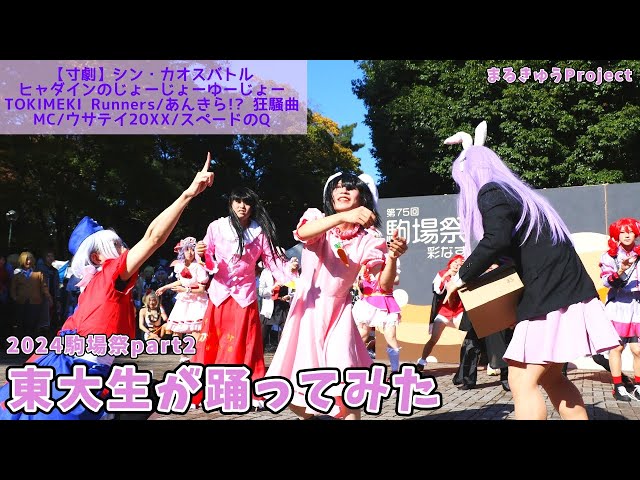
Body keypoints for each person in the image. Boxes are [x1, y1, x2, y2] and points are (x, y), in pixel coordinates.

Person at [0, 153, 214, 420]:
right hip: (81, 372)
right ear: (97, 256)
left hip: (74, 367)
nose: (125, 248)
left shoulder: (92, 284)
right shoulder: (111, 274)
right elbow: (153, 237)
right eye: (116, 244)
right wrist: (187, 194)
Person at [441, 122, 621, 420]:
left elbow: (495, 241)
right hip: (565, 291)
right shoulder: (519, 195)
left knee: (521, 380)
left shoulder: (491, 191)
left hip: (549, 297)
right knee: (552, 378)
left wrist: (460, 277)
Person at [265, 172, 408, 420]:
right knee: (293, 387)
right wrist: (343, 217)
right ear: (330, 196)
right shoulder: (317, 218)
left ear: (362, 197)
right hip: (306, 313)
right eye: (338, 187)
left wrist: (392, 258)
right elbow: (304, 233)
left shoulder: (369, 239)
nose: (343, 190)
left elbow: (383, 285)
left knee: (345, 383)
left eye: (350, 188)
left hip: (339, 315)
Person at [192, 187, 299, 408]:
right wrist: (201, 253)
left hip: (244, 296)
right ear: (231, 203)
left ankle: (242, 390)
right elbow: (206, 255)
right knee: (212, 342)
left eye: (247, 202)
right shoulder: (216, 227)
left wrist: (292, 274)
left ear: (253, 206)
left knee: (244, 343)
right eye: (238, 201)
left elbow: (272, 262)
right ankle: (206, 390)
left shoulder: (260, 233)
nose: (242, 206)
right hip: (219, 294)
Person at [599, 217, 640, 401]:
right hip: (619, 306)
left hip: (637, 306)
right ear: (617, 235)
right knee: (617, 348)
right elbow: (606, 281)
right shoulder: (610, 256)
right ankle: (618, 387)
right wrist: (621, 269)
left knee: (638, 350)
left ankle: (638, 386)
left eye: (630, 231)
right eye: (622, 232)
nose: (627, 235)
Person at [156, 236, 209, 362]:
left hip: (197, 300)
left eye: (192, 249)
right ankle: (183, 356)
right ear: (182, 252)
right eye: (186, 250)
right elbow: (181, 281)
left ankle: (196, 357)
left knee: (196, 329)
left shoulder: (199, 267)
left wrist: (186, 290)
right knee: (177, 329)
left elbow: (202, 289)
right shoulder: (180, 266)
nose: (190, 253)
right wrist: (165, 287)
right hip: (184, 300)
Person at [353, 255, 403, 374]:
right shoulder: (363, 258)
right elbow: (358, 283)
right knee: (362, 334)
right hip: (367, 302)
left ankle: (395, 370)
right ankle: (354, 365)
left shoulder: (389, 258)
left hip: (386, 301)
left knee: (391, 336)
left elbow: (396, 279)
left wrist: (385, 277)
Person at [416, 255, 465, 373]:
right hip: (444, 311)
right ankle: (422, 361)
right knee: (434, 338)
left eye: (460, 264)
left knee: (464, 340)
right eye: (455, 262)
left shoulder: (463, 275)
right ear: (450, 263)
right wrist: (445, 276)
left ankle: (464, 365)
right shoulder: (441, 273)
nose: (457, 265)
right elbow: (437, 290)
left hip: (458, 310)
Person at [9, 251, 52, 341]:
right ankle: (21, 341)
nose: (28, 262)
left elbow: (44, 287)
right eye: (26, 260)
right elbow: (13, 288)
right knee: (21, 323)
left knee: (33, 323)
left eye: (30, 259)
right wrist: (15, 298)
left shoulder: (38, 274)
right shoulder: (17, 275)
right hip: (21, 302)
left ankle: (32, 341)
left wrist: (49, 298)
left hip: (35, 302)